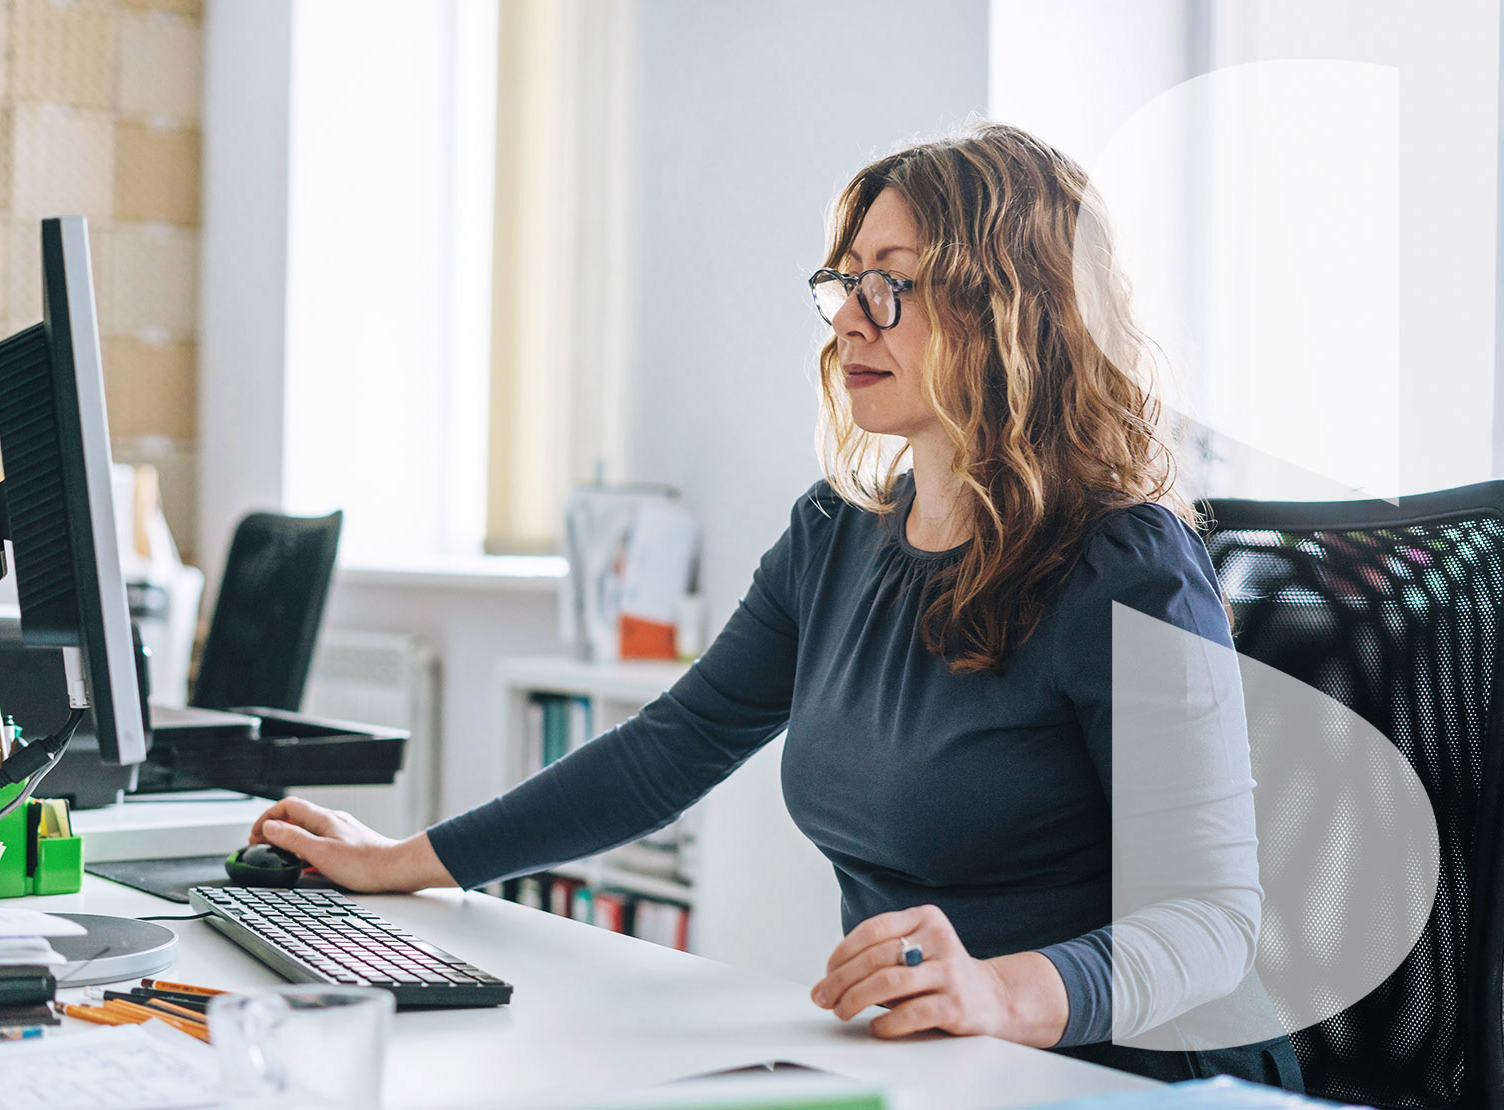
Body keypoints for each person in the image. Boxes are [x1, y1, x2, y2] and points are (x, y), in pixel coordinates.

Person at [249, 121, 1303, 1089]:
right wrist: (401, 862)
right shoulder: (837, 534)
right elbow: (674, 745)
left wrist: (999, 990)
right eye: (845, 283)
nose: (848, 318)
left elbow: (1211, 924)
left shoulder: (1125, 561)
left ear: (1010, 308)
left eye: (893, 284)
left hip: (1138, 1075)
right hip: (942, 1067)